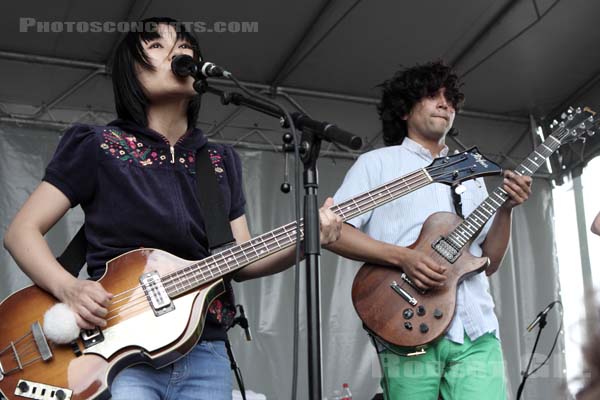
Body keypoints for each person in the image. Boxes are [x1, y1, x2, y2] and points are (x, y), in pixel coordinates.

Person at [2, 17, 342, 400]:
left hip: (204, 349)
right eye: (158, 46)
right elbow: (21, 232)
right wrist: (70, 289)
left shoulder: (219, 160)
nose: (179, 53)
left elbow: (241, 260)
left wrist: (307, 241)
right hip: (115, 351)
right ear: (129, 72)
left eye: (185, 47)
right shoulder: (98, 145)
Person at [327, 61, 532, 400]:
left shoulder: (473, 172)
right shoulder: (376, 164)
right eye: (431, 96)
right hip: (407, 325)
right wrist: (405, 258)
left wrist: (506, 210)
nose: (444, 104)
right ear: (405, 109)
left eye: (450, 98)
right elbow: (334, 232)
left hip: (476, 329)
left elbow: (488, 263)